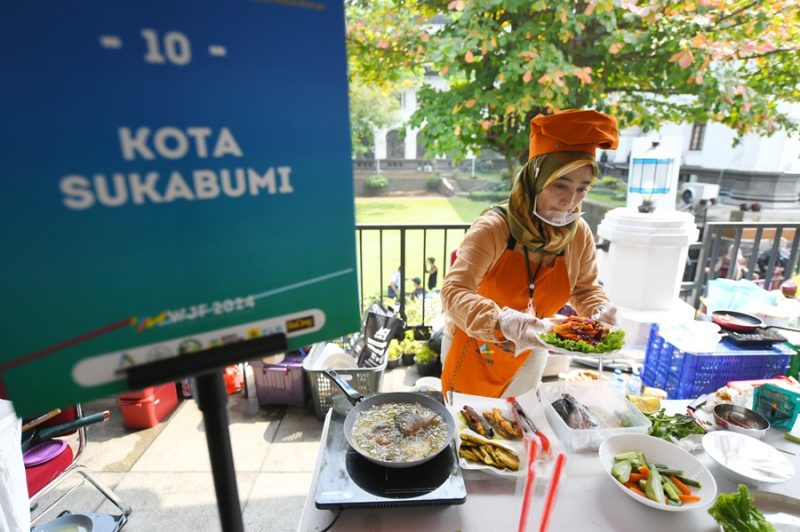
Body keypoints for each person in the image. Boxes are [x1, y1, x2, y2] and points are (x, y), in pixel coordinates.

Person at [440, 109, 619, 399]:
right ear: (536, 178)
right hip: (475, 346)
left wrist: (599, 311)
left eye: (581, 189)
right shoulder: (494, 228)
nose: (569, 201)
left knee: (517, 427)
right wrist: (503, 322)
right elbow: (454, 291)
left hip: (531, 351)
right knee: (467, 429)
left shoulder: (579, 234)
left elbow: (585, 289)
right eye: (560, 185)